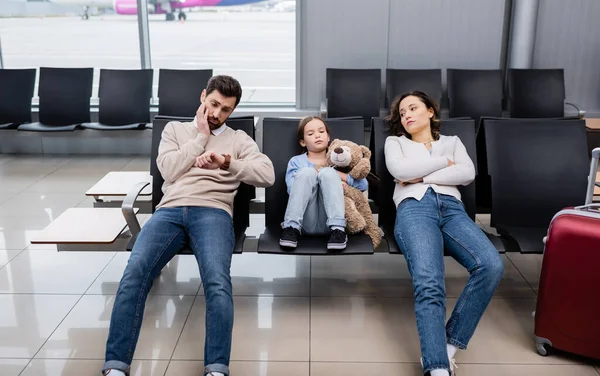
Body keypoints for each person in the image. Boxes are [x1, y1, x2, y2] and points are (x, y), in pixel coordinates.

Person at [102, 75, 275, 376]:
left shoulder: (238, 140)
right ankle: (116, 365)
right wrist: (200, 139)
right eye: (214, 104)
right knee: (134, 274)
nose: (218, 114)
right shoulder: (175, 130)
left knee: (217, 282)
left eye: (226, 110)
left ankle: (217, 368)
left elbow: (267, 174)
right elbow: (167, 169)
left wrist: (226, 162)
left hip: (214, 212)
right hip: (169, 210)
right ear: (203, 96)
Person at [384, 91, 504, 376]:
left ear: (430, 112)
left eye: (413, 108)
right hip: (414, 209)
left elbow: (467, 173)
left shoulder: (452, 142)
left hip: (452, 209)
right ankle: (437, 367)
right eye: (402, 113)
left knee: (491, 265)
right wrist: (442, 164)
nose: (407, 115)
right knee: (429, 281)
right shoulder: (395, 142)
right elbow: (399, 170)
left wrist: (418, 176)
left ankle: (448, 342)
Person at [279, 116, 368, 250]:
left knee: (328, 173)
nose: (317, 136)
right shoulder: (296, 162)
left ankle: (338, 230)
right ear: (303, 142)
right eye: (311, 133)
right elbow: (293, 190)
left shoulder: (340, 159)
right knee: (307, 173)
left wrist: (338, 177)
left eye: (321, 132)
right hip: (305, 221)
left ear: (328, 138)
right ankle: (291, 227)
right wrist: (314, 177)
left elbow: (363, 186)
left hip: (332, 221)